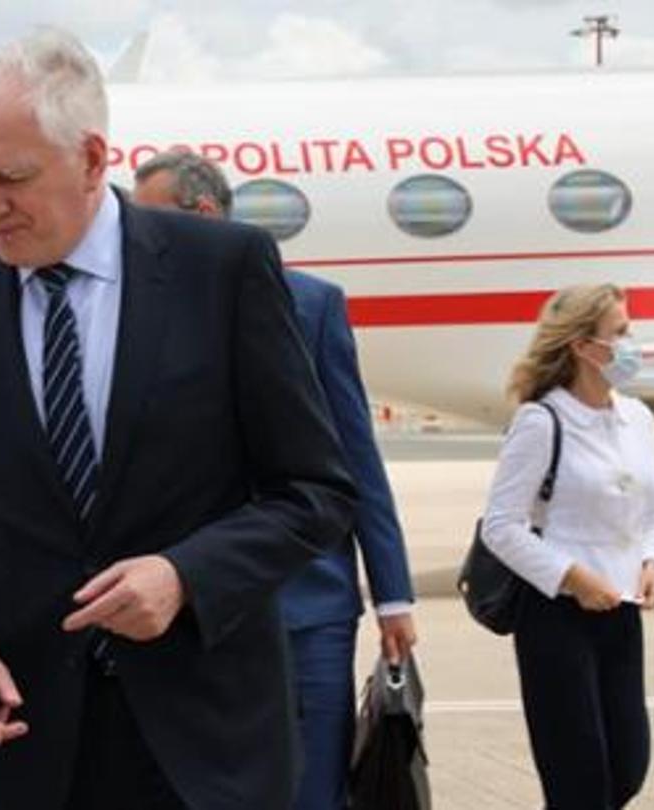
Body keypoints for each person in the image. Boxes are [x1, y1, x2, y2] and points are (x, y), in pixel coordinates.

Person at [0, 28, 358, 810]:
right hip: (32, 749)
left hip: (209, 751)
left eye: (11, 178)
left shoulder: (223, 272)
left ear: (92, 158)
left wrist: (186, 575)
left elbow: (316, 491)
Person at [132, 150, 418, 810]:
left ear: (203, 214)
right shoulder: (138, 316)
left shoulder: (311, 305)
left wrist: (393, 594)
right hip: (193, 604)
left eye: (151, 221)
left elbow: (354, 455)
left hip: (307, 601)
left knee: (312, 786)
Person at [481, 284, 654, 809]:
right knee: (578, 780)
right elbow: (501, 525)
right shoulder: (542, 421)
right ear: (583, 346)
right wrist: (573, 577)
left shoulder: (639, 419)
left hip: (621, 609)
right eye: (620, 333)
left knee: (628, 767)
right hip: (557, 614)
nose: (631, 344)